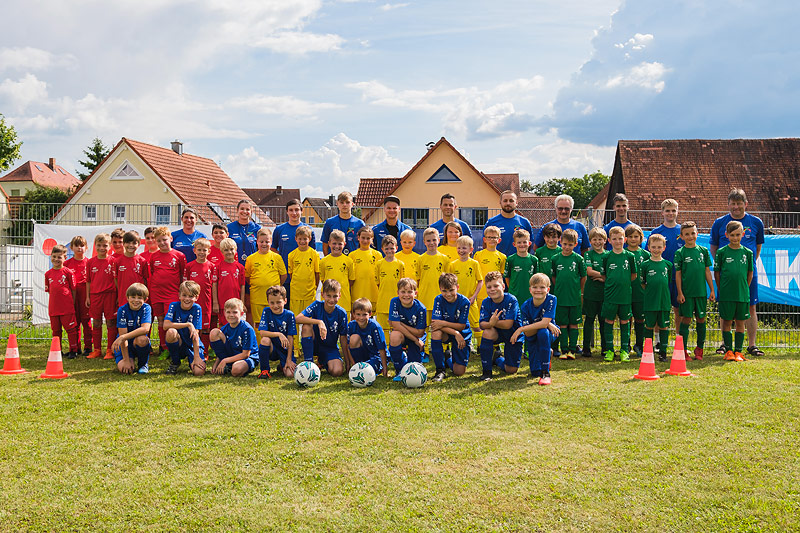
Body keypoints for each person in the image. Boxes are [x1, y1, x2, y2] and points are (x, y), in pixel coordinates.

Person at [709, 188, 765, 357]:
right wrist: (726, 266)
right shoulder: (719, 223)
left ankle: (751, 345)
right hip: (726, 277)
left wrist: (746, 266)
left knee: (750, 307)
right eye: (733, 204)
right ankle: (725, 345)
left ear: (745, 204)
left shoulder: (756, 222)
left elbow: (758, 247)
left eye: (739, 203)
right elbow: (714, 248)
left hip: (747, 274)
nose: (736, 207)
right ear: (728, 205)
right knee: (725, 310)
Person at [674, 221, 715, 360]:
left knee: (701, 319)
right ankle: (683, 350)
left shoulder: (703, 251)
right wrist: (680, 292)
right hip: (687, 294)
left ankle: (699, 349)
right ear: (682, 236)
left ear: (697, 233)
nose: (691, 236)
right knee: (686, 319)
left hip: (701, 293)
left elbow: (707, 271)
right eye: (687, 234)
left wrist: (712, 290)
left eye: (693, 233)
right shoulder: (680, 253)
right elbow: (678, 274)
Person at [715, 220, 754, 362]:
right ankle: (729, 350)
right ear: (726, 235)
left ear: (743, 234)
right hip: (726, 294)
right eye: (732, 235)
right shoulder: (721, 252)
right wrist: (722, 289)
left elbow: (749, 273)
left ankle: (738, 352)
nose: (735, 238)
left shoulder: (748, 253)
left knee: (740, 323)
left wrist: (745, 286)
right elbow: (717, 273)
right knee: (726, 321)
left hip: (742, 294)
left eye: (738, 235)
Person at [511, 273, 560, 385]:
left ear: (548, 289)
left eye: (542, 287)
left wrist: (520, 329)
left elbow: (542, 326)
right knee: (534, 372)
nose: (538, 290)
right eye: (535, 287)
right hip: (532, 336)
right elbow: (528, 334)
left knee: (543, 333)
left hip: (550, 334)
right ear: (530, 289)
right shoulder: (525, 306)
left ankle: (545, 373)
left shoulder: (552, 299)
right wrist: (545, 323)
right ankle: (547, 354)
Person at [296, 279, 349, 376]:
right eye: (328, 296)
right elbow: (297, 318)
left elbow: (343, 338)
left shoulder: (342, 313)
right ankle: (309, 365)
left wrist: (348, 364)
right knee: (306, 326)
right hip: (314, 344)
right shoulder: (317, 305)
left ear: (339, 295)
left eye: (335, 296)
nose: (332, 300)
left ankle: (323, 361)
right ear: (322, 294)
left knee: (337, 371)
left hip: (330, 348)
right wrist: (319, 322)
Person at [478, 271, 524, 381]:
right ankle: (487, 372)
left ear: (503, 286)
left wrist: (493, 322)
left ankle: (498, 358)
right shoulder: (486, 302)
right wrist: (490, 324)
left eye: (496, 286)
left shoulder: (511, 300)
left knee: (511, 370)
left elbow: (508, 324)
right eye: (489, 287)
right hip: (497, 333)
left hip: (513, 335)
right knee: (487, 332)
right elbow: (482, 324)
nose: (492, 289)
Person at [600, 226, 638, 362]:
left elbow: (633, 275)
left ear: (625, 240)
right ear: (609, 241)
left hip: (625, 296)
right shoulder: (606, 256)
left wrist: (623, 283)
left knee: (624, 322)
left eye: (620, 239)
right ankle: (609, 350)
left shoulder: (630, 256)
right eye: (614, 239)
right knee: (609, 322)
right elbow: (604, 276)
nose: (617, 241)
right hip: (610, 296)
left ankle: (624, 350)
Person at [645, 199, 683, 330]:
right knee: (658, 310)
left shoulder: (682, 231)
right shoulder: (656, 232)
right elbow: (647, 254)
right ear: (662, 212)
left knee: (679, 310)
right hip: (660, 278)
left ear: (677, 212)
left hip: (678, 277)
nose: (670, 213)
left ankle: (680, 341)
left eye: (673, 210)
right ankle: (658, 341)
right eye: (667, 210)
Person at [149, 227, 187, 356]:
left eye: (164, 240)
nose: (162, 243)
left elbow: (182, 275)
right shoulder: (154, 257)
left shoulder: (179, 256)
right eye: (158, 241)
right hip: (156, 293)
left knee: (170, 321)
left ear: (171, 239)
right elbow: (153, 273)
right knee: (160, 320)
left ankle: (174, 346)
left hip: (172, 294)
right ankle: (163, 347)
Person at [244, 227, 287, 341]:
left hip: (274, 298)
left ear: (271, 242)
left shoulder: (277, 257)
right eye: (261, 241)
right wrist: (259, 285)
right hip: (257, 297)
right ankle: (260, 347)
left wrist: (275, 287)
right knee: (259, 324)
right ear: (256, 241)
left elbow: (283, 276)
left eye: (267, 241)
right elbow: (247, 277)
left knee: (274, 323)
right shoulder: (251, 259)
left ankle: (275, 347)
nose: (264, 244)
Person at [550, 229, 586, 359]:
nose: (567, 247)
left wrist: (578, 290)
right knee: (562, 324)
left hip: (574, 298)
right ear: (560, 242)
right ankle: (563, 350)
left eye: (570, 245)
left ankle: (572, 350)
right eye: (564, 244)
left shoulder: (578, 259)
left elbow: (583, 277)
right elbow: (554, 277)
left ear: (575, 244)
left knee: (574, 324)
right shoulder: (555, 259)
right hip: (560, 297)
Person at [430, 272, 472, 381]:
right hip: (449, 333)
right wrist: (454, 333)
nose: (448, 294)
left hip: (462, 333)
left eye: (451, 290)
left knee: (459, 372)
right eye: (444, 291)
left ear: (457, 287)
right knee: (436, 333)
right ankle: (440, 370)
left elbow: (461, 326)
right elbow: (435, 324)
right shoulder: (438, 300)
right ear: (440, 289)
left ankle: (448, 358)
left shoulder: (464, 302)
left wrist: (444, 323)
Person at [272, 199, 316, 300]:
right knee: (285, 306)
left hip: (303, 277)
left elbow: (312, 253)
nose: (294, 213)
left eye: (297, 210)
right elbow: (273, 249)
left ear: (302, 211)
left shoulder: (309, 230)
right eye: (291, 210)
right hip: (285, 276)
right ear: (287, 211)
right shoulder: (279, 229)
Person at [415, 227, 451, 351]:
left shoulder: (445, 259)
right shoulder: (420, 259)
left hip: (440, 299)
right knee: (424, 325)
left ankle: (443, 349)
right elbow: (418, 279)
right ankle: (424, 350)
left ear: (439, 240)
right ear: (424, 242)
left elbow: (448, 281)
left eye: (434, 240)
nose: (431, 243)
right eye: (428, 240)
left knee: (440, 325)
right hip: (424, 297)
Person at [639, 234, 673, 362]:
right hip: (650, 302)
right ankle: (648, 351)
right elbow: (642, 283)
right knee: (649, 326)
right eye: (653, 247)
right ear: (648, 247)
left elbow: (667, 281)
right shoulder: (645, 265)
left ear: (664, 248)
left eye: (659, 247)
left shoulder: (668, 265)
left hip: (663, 301)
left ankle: (663, 353)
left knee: (663, 326)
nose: (656, 249)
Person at [287, 225, 320, 353]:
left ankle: (309, 347)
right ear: (296, 239)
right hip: (295, 292)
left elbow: (317, 274)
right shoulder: (291, 255)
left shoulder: (314, 254)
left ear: (310, 238)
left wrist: (314, 287)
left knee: (309, 321)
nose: (302, 241)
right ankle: (295, 348)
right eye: (300, 239)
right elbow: (291, 274)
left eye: (305, 239)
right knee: (294, 320)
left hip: (309, 293)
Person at [86, 233, 118, 360]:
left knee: (111, 322)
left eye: (105, 245)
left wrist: (117, 294)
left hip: (110, 295)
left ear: (110, 246)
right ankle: (97, 350)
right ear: (95, 246)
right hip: (95, 296)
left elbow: (116, 280)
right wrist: (87, 297)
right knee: (97, 322)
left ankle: (110, 350)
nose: (101, 248)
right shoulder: (90, 262)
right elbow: (88, 280)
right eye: (99, 245)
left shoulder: (113, 261)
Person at [209, 297, 260, 377]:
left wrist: (225, 360)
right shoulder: (225, 328)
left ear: (241, 314)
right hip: (231, 355)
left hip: (248, 358)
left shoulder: (247, 329)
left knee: (236, 370)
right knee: (214, 332)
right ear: (224, 313)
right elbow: (222, 349)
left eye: (235, 312)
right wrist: (217, 363)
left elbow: (245, 354)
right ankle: (227, 366)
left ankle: (231, 366)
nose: (231, 315)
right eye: (228, 312)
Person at [164, 280, 205, 376]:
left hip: (191, 343)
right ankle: (175, 362)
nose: (187, 299)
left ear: (196, 297)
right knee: (171, 332)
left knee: (199, 372)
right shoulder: (173, 305)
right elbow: (166, 325)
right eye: (184, 295)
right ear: (179, 295)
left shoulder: (197, 308)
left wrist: (197, 356)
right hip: (179, 343)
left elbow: (195, 334)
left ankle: (192, 361)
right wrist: (188, 325)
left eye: (191, 296)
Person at [388, 278, 427, 378]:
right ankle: (400, 369)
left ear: (415, 293)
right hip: (410, 337)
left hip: (417, 337)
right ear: (398, 293)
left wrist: (399, 324)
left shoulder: (421, 309)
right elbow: (395, 326)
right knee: (394, 335)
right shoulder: (394, 302)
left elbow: (419, 333)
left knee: (414, 368)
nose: (406, 295)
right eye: (403, 292)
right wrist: (415, 340)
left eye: (410, 292)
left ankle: (413, 358)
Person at [45, 244, 79, 359]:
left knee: (71, 329)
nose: (56, 259)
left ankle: (73, 350)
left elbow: (73, 290)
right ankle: (57, 351)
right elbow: (50, 291)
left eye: (59, 257)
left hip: (67, 308)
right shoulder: (47, 274)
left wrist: (71, 304)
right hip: (54, 309)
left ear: (65, 258)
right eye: (54, 256)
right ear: (51, 257)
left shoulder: (68, 272)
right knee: (56, 331)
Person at [111, 283, 152, 374]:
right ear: (127, 298)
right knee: (126, 369)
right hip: (125, 345)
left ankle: (143, 364)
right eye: (133, 297)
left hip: (137, 342)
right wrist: (126, 360)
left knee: (143, 339)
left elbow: (145, 329)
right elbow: (122, 335)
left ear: (145, 299)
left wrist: (123, 337)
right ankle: (129, 358)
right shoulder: (122, 310)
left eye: (140, 298)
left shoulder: (146, 308)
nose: (136, 300)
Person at [448, 235, 483, 343]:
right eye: (459, 248)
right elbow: (450, 284)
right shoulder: (453, 265)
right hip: (457, 301)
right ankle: (456, 345)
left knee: (476, 325)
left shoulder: (474, 263)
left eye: (464, 248)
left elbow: (480, 281)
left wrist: (474, 297)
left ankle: (480, 346)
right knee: (457, 325)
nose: (461, 250)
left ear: (471, 250)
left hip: (471, 301)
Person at [258, 285, 297, 378]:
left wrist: (289, 359)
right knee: (264, 340)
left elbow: (290, 338)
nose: (275, 306)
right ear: (268, 302)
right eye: (272, 303)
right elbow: (262, 333)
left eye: (278, 302)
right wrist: (279, 334)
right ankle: (264, 371)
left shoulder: (289, 315)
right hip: (272, 348)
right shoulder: (266, 311)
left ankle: (282, 365)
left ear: (285, 301)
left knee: (290, 375)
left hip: (285, 349)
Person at [184, 238, 216, 349]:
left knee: (206, 327)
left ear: (209, 252)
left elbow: (214, 285)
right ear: (194, 251)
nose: (202, 252)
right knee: (194, 325)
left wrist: (214, 301)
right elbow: (185, 285)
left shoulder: (212, 266)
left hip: (206, 300)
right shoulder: (189, 266)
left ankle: (205, 350)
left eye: (204, 250)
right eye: (199, 250)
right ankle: (193, 347)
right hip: (192, 301)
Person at [484, 190, 533, 257]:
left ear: (516, 203)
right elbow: (485, 244)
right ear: (500, 202)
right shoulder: (491, 222)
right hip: (498, 264)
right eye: (505, 201)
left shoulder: (524, 222)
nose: (508, 203)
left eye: (511, 201)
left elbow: (529, 245)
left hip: (517, 264)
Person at [347, 298, 388, 377]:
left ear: (370, 314)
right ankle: (358, 366)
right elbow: (348, 347)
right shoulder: (351, 326)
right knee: (353, 338)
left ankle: (375, 368)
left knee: (366, 370)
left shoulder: (375, 327)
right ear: (354, 314)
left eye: (364, 314)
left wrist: (385, 369)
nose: (361, 318)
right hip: (363, 355)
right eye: (358, 314)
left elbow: (382, 349)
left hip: (375, 357)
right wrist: (353, 365)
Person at [582, 227, 607, 357]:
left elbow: (611, 275)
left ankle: (605, 347)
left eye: (600, 239)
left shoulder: (608, 254)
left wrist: (603, 277)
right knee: (589, 320)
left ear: (605, 240)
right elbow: (589, 272)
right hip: (591, 293)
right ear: (590, 241)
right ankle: (586, 348)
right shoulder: (588, 254)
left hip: (605, 294)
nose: (597, 242)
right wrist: (603, 276)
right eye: (594, 239)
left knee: (604, 321)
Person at [319, 230, 356, 318]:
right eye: (334, 243)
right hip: (327, 302)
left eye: (340, 244)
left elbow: (351, 280)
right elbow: (323, 280)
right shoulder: (323, 261)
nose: (337, 246)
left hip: (344, 300)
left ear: (344, 244)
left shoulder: (349, 261)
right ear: (329, 243)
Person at [625, 224, 650, 356]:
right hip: (626, 292)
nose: (633, 239)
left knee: (640, 320)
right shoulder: (622, 253)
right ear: (626, 239)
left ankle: (639, 345)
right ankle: (626, 345)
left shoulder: (646, 254)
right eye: (630, 236)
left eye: (636, 236)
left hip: (641, 293)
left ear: (641, 238)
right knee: (626, 319)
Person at [374, 235, 405, 338]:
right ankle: (385, 349)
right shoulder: (379, 264)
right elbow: (378, 283)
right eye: (386, 248)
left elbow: (402, 285)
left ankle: (396, 349)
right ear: (382, 249)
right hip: (382, 302)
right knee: (383, 330)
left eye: (392, 248)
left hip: (396, 303)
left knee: (397, 328)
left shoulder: (400, 264)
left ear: (396, 248)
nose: (389, 251)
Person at [65, 235, 91, 356]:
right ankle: (75, 347)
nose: (79, 248)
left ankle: (88, 347)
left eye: (82, 246)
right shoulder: (66, 264)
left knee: (86, 321)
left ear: (86, 247)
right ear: (71, 248)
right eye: (77, 246)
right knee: (74, 322)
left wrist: (89, 296)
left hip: (85, 295)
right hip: (72, 296)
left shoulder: (89, 263)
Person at [214, 238, 246, 334]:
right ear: (221, 251)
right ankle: (224, 347)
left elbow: (242, 286)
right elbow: (214, 285)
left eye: (231, 249)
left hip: (236, 303)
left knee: (237, 326)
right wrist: (215, 302)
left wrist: (242, 302)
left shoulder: (240, 267)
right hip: (222, 303)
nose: (229, 252)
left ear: (235, 250)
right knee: (223, 327)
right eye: (226, 250)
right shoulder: (218, 266)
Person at [473, 225, 506, 316]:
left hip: (495, 292)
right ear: (484, 239)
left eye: (494, 237)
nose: (491, 240)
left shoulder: (502, 257)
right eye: (489, 237)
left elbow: (501, 275)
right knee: (481, 317)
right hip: (481, 293)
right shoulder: (478, 255)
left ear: (499, 240)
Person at [504, 229, 539, 310]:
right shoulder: (510, 259)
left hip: (529, 295)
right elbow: (507, 277)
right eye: (519, 242)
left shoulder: (534, 260)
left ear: (529, 243)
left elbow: (536, 278)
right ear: (514, 244)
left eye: (524, 242)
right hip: (515, 295)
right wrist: (513, 289)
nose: (522, 245)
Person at [114, 230, 149, 309]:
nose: (131, 245)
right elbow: (116, 279)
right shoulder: (117, 261)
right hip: (123, 297)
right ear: (123, 244)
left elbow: (145, 280)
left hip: (138, 298)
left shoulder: (142, 261)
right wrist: (120, 292)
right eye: (128, 243)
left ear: (139, 244)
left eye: (134, 243)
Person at [349, 226, 382, 310]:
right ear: (358, 238)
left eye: (368, 238)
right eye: (363, 238)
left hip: (373, 293)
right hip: (357, 293)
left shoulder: (377, 255)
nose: (365, 241)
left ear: (372, 239)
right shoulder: (352, 255)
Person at [227, 199, 260, 267]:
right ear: (237, 210)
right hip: (234, 266)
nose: (244, 211)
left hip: (252, 266)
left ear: (251, 212)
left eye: (247, 209)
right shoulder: (229, 228)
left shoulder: (257, 228)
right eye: (242, 209)